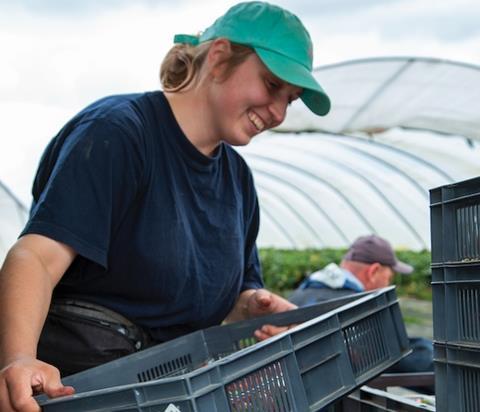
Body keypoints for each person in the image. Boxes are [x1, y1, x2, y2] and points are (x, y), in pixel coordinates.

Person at [0, 2, 331, 410]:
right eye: (271, 84)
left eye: (291, 99)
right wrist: (18, 359)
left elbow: (223, 293)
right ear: (219, 57)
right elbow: (36, 256)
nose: (279, 112)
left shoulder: (238, 182)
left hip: (177, 391)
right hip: (89, 387)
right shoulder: (119, 134)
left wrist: (252, 305)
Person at [288, 234, 435, 393]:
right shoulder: (358, 311)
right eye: (389, 277)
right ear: (373, 271)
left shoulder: (300, 295)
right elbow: (404, 357)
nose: (388, 284)